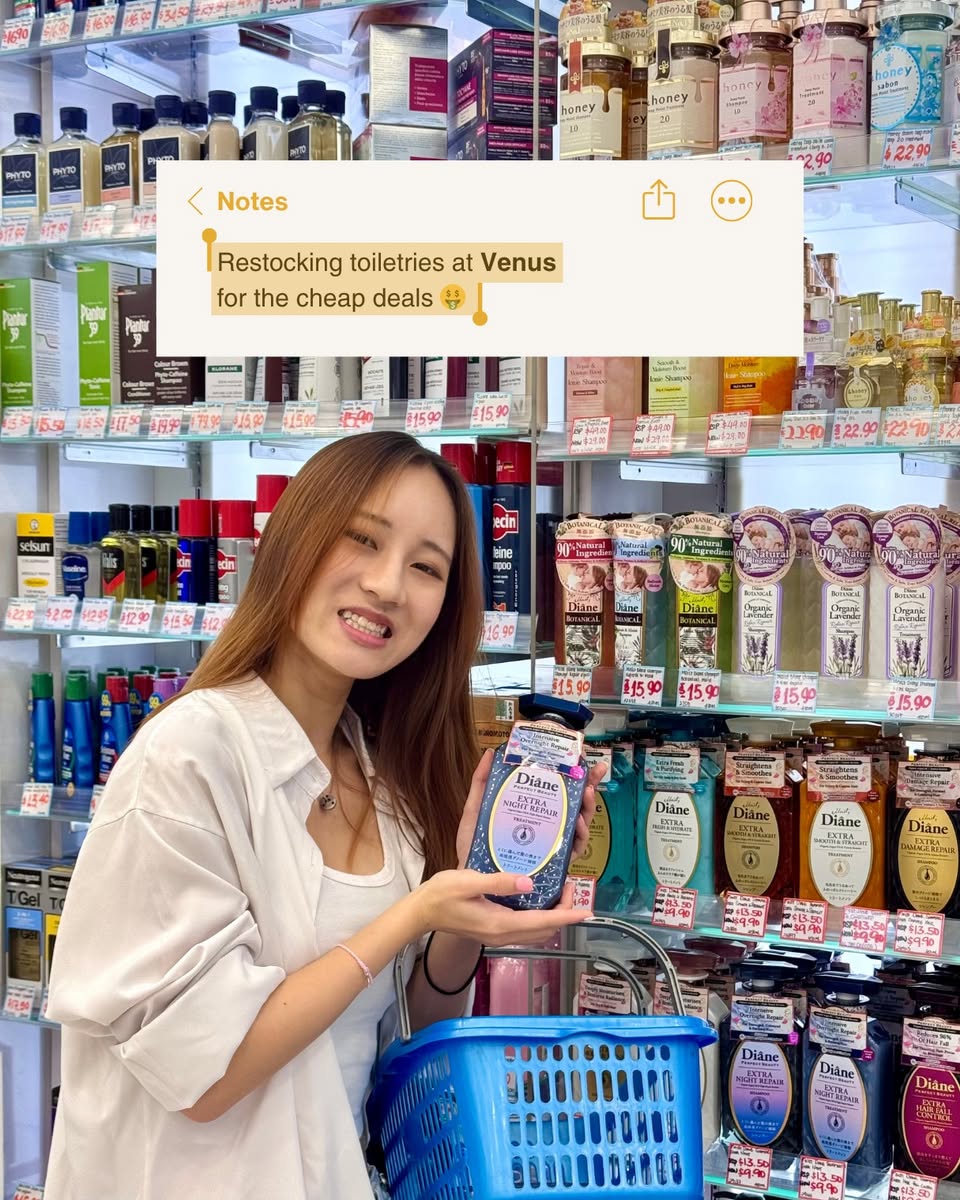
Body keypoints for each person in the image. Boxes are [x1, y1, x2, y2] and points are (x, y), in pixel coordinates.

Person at [45, 432, 602, 1199]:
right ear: (297, 538)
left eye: (425, 567)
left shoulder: (380, 767)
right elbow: (203, 1076)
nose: (387, 585)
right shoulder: (188, 757)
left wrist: (465, 899)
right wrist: (409, 916)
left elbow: (411, 1021)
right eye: (364, 539)